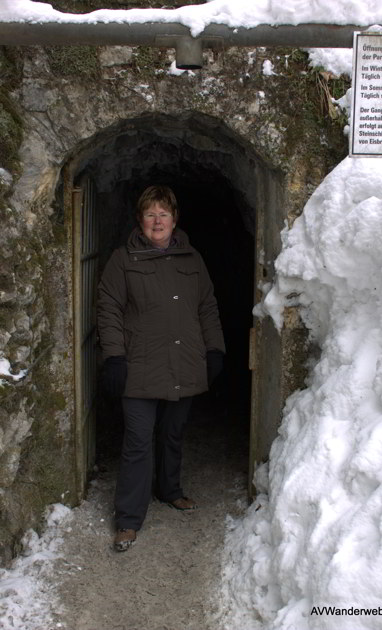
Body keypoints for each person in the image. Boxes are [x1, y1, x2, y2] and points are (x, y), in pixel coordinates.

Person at [97, 185, 225, 552]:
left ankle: (170, 490)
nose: (157, 221)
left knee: (173, 432)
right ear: (140, 220)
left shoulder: (192, 258)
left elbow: (207, 307)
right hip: (139, 366)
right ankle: (128, 519)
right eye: (150, 214)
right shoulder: (123, 260)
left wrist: (215, 349)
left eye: (163, 214)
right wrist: (115, 357)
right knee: (137, 442)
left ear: (174, 219)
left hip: (184, 363)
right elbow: (108, 310)